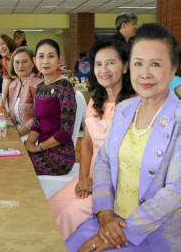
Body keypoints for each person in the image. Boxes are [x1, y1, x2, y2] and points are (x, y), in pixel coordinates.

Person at [66, 23, 181, 252]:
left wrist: (117, 234)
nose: (145, 73)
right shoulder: (125, 109)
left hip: (153, 231)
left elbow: (176, 190)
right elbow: (104, 162)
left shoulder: (178, 119)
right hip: (110, 220)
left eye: (155, 64)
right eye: (138, 63)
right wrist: (105, 213)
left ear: (173, 70)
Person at [49, 37, 135, 240]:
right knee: (51, 207)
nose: (103, 69)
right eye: (98, 63)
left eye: (111, 62)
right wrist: (82, 180)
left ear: (125, 67)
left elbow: (132, 159)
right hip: (90, 178)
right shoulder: (96, 101)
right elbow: (87, 143)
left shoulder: (135, 105)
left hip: (116, 185)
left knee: (69, 214)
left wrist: (96, 184)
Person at [24, 39, 76, 176]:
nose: (45, 61)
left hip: (60, 156)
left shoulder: (64, 87)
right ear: (35, 60)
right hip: (42, 150)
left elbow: (66, 130)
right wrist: (29, 143)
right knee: (12, 158)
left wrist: (38, 148)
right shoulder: (40, 87)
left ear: (60, 60)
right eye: (41, 56)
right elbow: (37, 122)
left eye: (51, 56)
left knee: (19, 167)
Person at [8, 46, 42, 142]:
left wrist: (16, 135)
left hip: (34, 136)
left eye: (24, 61)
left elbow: (39, 117)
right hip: (17, 133)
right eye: (17, 62)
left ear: (33, 63)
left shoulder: (38, 85)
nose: (20, 66)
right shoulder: (13, 85)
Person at [0, 34, 18, 103]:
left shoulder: (19, 54)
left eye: (2, 44)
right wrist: (3, 100)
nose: (1, 48)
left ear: (9, 43)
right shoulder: (3, 61)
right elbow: (6, 80)